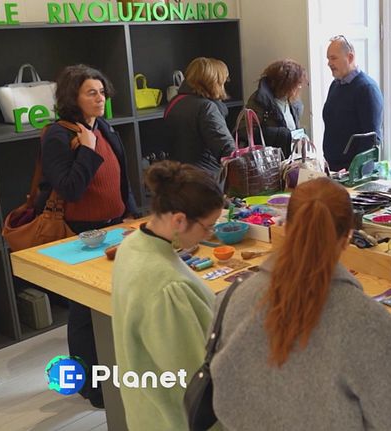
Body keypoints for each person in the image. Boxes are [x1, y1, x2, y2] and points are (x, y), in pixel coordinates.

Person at [211, 177, 391, 430]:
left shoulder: (232, 298)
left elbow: (222, 395)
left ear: (287, 228)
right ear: (348, 237)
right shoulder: (374, 324)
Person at [42, 64, 140, 408]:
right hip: (81, 235)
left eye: (101, 92)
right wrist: (86, 149)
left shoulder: (103, 126)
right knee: (84, 311)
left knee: (112, 305)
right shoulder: (57, 135)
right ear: (73, 97)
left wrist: (130, 211)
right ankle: (90, 386)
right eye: (91, 93)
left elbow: (120, 177)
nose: (100, 99)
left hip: (115, 226)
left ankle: (111, 377)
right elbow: (69, 188)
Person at [111, 160, 224, 430]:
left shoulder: (133, 245)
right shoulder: (166, 288)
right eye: (208, 227)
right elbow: (196, 382)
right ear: (179, 220)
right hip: (176, 420)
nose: (210, 234)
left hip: (145, 411)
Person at [164, 57, 235, 180]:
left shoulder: (174, 103)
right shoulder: (206, 107)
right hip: (204, 177)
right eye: (222, 81)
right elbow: (224, 146)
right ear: (213, 81)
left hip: (178, 174)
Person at [322, 35, 383, 171]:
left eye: (333, 58)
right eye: (328, 59)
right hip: (333, 169)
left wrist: (355, 171)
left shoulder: (367, 89)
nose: (329, 63)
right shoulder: (335, 85)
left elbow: (372, 139)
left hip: (354, 173)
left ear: (350, 58)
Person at [238, 59, 307, 158]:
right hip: (267, 160)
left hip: (288, 158)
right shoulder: (260, 100)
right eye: (297, 83)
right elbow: (245, 131)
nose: (299, 87)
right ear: (285, 83)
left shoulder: (293, 102)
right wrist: (281, 134)